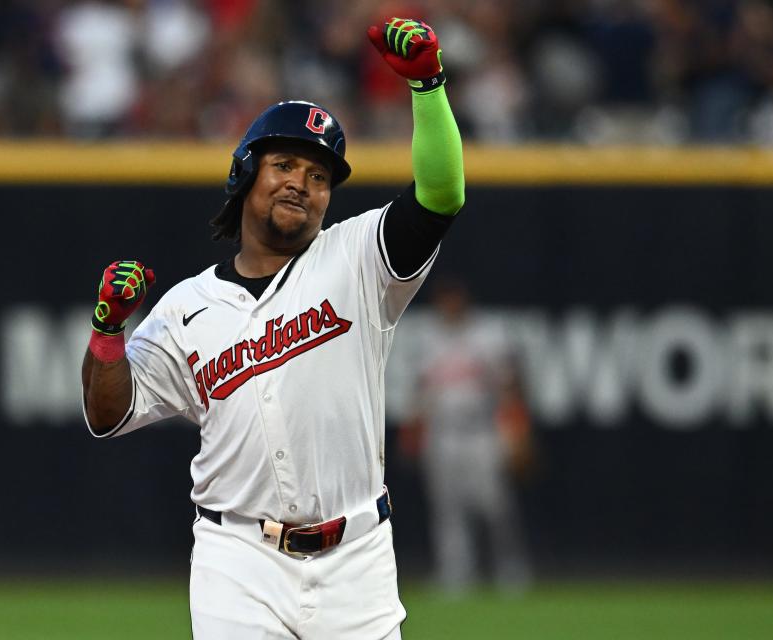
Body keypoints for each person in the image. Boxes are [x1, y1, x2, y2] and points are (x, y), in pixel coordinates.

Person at [81, 17, 465, 640]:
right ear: (245, 174)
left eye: (319, 177)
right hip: (238, 557)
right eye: (285, 164)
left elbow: (442, 195)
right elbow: (107, 413)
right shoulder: (187, 308)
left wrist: (428, 84)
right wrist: (106, 331)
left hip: (357, 560)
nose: (302, 184)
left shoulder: (358, 258)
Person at [399, 278, 533, 595]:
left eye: (453, 297)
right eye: (444, 299)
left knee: (494, 504)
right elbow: (421, 391)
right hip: (442, 433)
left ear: (464, 299)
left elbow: (509, 386)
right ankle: (456, 572)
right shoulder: (429, 337)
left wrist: (516, 431)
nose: (449, 305)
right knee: (447, 507)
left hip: (481, 429)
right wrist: (413, 430)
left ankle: (510, 568)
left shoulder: (488, 334)